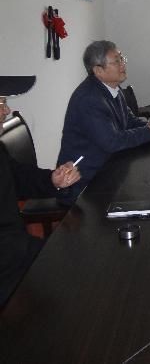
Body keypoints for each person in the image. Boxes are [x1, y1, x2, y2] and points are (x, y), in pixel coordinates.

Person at [0, 76, 81, 306]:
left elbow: (18, 177)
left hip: (15, 247)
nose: (6, 110)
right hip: (8, 261)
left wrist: (53, 179)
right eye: (0, 103)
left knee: (79, 262)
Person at [57, 41, 150, 204]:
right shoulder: (89, 99)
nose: (123, 64)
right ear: (98, 70)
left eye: (122, 58)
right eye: (116, 61)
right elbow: (112, 141)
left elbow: (128, 120)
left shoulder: (112, 88)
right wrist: (148, 132)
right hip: (83, 183)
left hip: (107, 169)